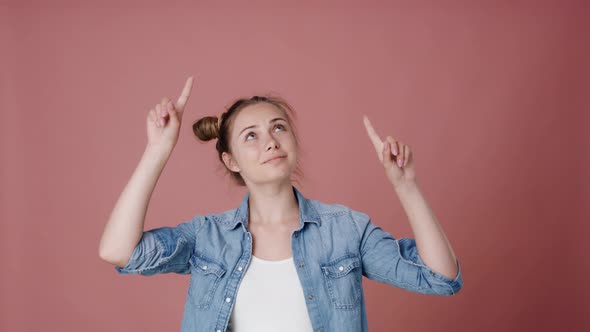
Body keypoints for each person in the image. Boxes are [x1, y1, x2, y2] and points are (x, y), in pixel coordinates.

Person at [99, 76, 464, 332]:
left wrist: (407, 187)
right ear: (231, 161)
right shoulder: (208, 237)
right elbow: (119, 250)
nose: (271, 141)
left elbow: (440, 278)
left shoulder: (346, 230)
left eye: (279, 128)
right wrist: (157, 151)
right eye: (251, 136)